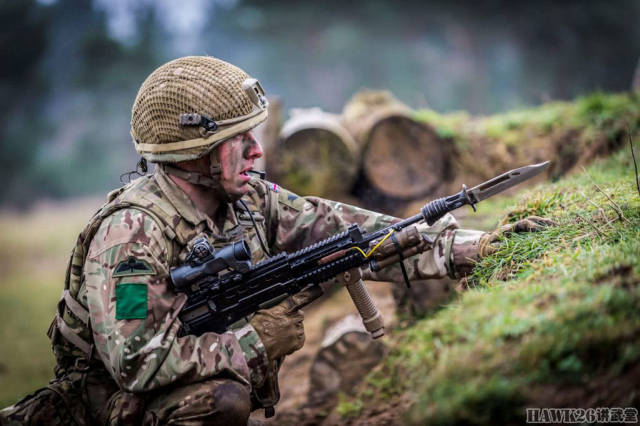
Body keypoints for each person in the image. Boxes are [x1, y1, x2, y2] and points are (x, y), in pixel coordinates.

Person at [0, 56, 550, 425]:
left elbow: (354, 236)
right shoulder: (131, 238)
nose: (258, 153)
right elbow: (137, 363)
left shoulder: (249, 200)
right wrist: (253, 340)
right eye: (240, 142)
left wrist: (468, 247)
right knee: (222, 402)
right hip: (101, 407)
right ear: (192, 155)